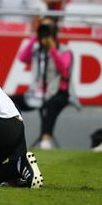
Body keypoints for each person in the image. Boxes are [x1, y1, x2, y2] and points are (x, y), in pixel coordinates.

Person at [11, 18, 76, 149]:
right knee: (9, 101)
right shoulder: (37, 49)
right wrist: (35, 38)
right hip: (36, 93)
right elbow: (23, 58)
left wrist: (52, 50)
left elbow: (64, 71)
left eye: (48, 28)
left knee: (52, 104)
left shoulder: (65, 50)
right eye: (43, 28)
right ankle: (13, 135)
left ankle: (46, 138)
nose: (45, 31)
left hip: (59, 92)